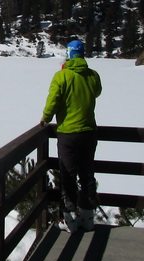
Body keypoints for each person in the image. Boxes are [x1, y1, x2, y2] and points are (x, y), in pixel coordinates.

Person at [41, 39, 103, 232]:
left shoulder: (62, 76)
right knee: (87, 174)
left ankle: (68, 218)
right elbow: (97, 92)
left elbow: (53, 100)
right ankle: (88, 217)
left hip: (68, 133)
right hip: (89, 132)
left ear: (68, 55)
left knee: (68, 174)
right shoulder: (93, 75)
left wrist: (45, 118)